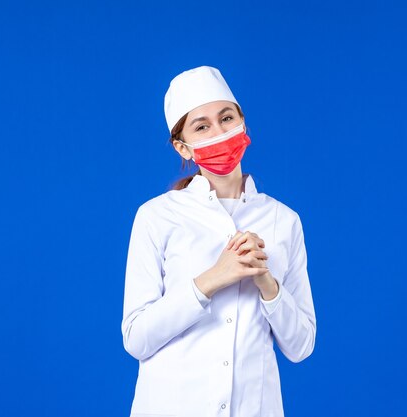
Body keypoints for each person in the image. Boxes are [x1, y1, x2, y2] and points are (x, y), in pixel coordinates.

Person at [121, 66, 316, 417]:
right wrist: (213, 278)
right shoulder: (157, 216)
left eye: (226, 118)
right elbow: (137, 338)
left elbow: (301, 346)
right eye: (202, 126)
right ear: (183, 148)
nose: (219, 132)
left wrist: (266, 283)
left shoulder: (283, 221)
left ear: (242, 122)